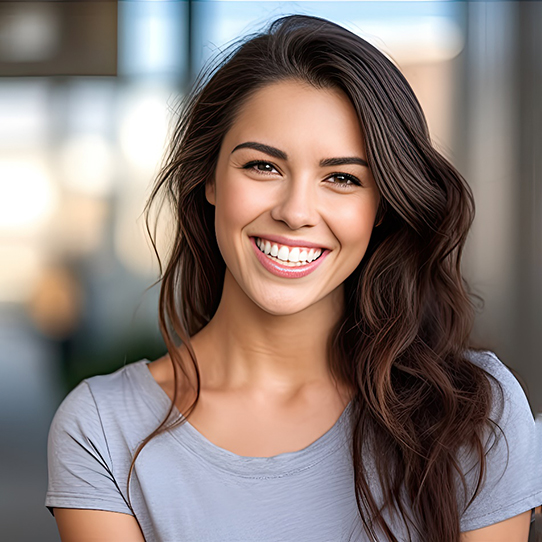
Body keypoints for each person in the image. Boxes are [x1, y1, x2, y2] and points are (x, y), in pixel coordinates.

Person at [45, 14, 542, 542]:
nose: (297, 211)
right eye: (263, 167)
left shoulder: (472, 412)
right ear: (209, 179)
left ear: (381, 208)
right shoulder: (102, 428)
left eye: (343, 178)